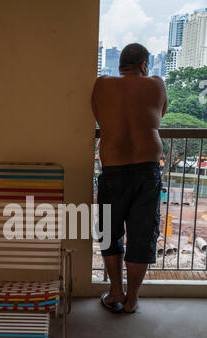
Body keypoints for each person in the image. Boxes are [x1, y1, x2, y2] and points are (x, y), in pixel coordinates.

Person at [91, 43, 168, 313]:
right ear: (145, 65)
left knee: (110, 233)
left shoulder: (102, 85)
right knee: (142, 234)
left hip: (113, 170)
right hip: (147, 171)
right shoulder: (156, 84)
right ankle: (132, 299)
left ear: (120, 64)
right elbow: (160, 115)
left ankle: (115, 292)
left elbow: (100, 117)